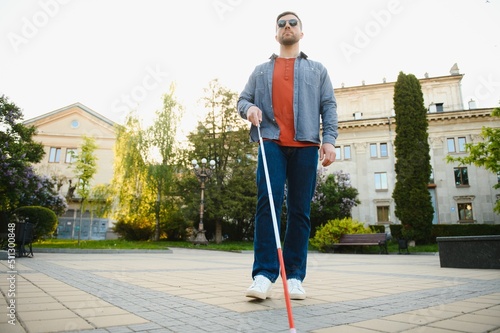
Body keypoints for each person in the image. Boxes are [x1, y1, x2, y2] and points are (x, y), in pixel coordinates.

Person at [237, 11, 338, 300]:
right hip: (270, 142)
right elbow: (243, 99)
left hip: (306, 145)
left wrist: (329, 141)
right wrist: (250, 110)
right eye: (281, 24)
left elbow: (329, 106)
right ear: (276, 33)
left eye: (293, 23)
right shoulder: (260, 71)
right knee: (267, 205)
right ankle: (263, 275)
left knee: (299, 211)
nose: (287, 27)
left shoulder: (317, 70)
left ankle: (294, 276)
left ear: (301, 32)